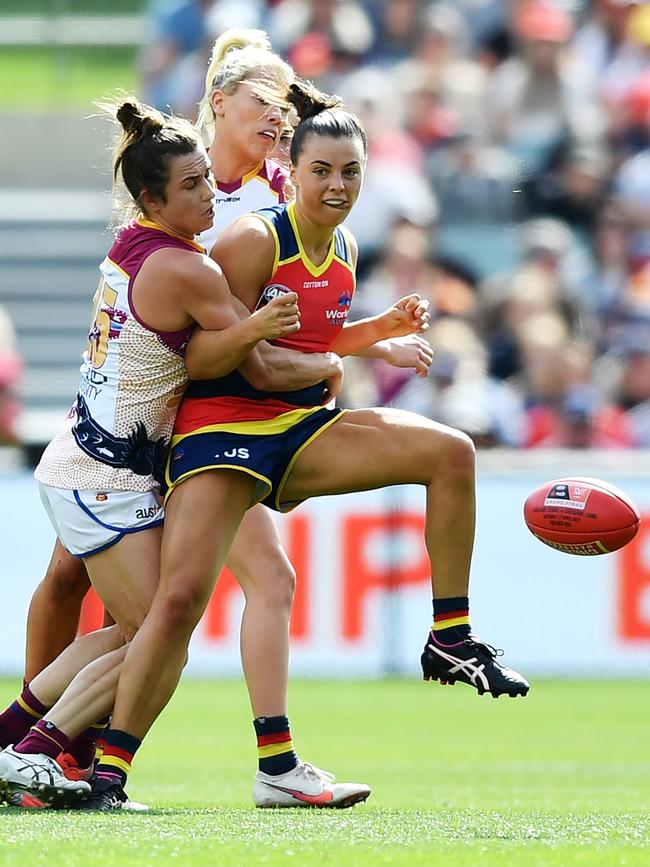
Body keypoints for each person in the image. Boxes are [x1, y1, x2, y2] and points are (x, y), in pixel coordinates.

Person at [14, 80, 527, 811]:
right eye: (321, 169)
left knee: (450, 453)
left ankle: (447, 636)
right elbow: (218, 358)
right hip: (209, 435)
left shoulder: (342, 248)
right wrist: (327, 364)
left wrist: (370, 337)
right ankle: (74, 760)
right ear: (292, 169)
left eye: (351, 171)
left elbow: (304, 341)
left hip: (273, 428)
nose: (337, 184)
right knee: (166, 606)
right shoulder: (246, 241)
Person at [0, 94, 339, 809]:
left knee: (140, 626)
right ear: (153, 199)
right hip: (104, 474)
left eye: (205, 180)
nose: (208, 193)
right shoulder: (189, 270)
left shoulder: (137, 245)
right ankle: (35, 750)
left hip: (89, 462)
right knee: (157, 632)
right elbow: (259, 365)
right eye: (190, 186)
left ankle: (17, 736)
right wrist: (330, 360)